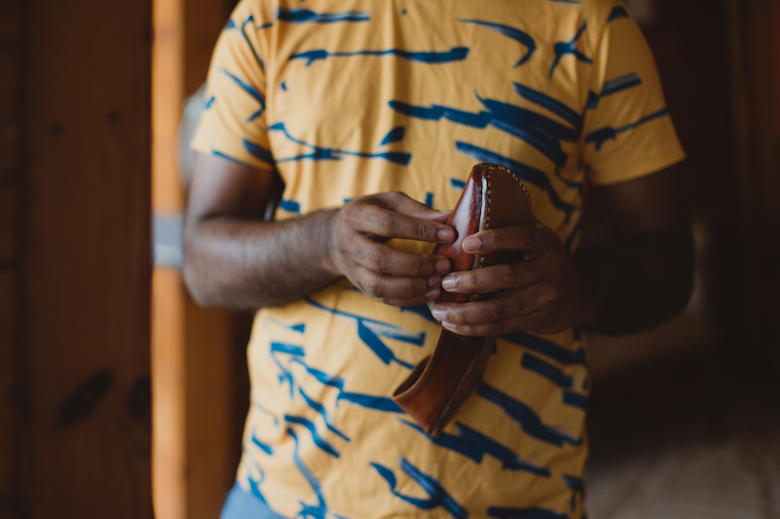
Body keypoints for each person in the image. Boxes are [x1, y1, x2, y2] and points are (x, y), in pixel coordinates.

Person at [184, 1, 694, 517]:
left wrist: (580, 289)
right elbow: (204, 265)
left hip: (516, 500)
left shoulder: (590, 23)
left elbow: (672, 264)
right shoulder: (269, 18)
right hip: (284, 495)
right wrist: (325, 243)